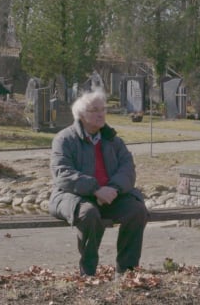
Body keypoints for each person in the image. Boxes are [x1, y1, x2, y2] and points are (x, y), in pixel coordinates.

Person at [48, 88, 148, 276]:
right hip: (74, 196)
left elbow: (128, 169)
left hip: (111, 196)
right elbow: (62, 173)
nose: (101, 114)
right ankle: (88, 271)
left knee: (137, 210)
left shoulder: (113, 140)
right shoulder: (65, 139)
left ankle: (127, 271)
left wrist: (113, 189)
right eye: (94, 110)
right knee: (89, 214)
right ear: (81, 114)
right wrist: (95, 190)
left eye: (103, 109)